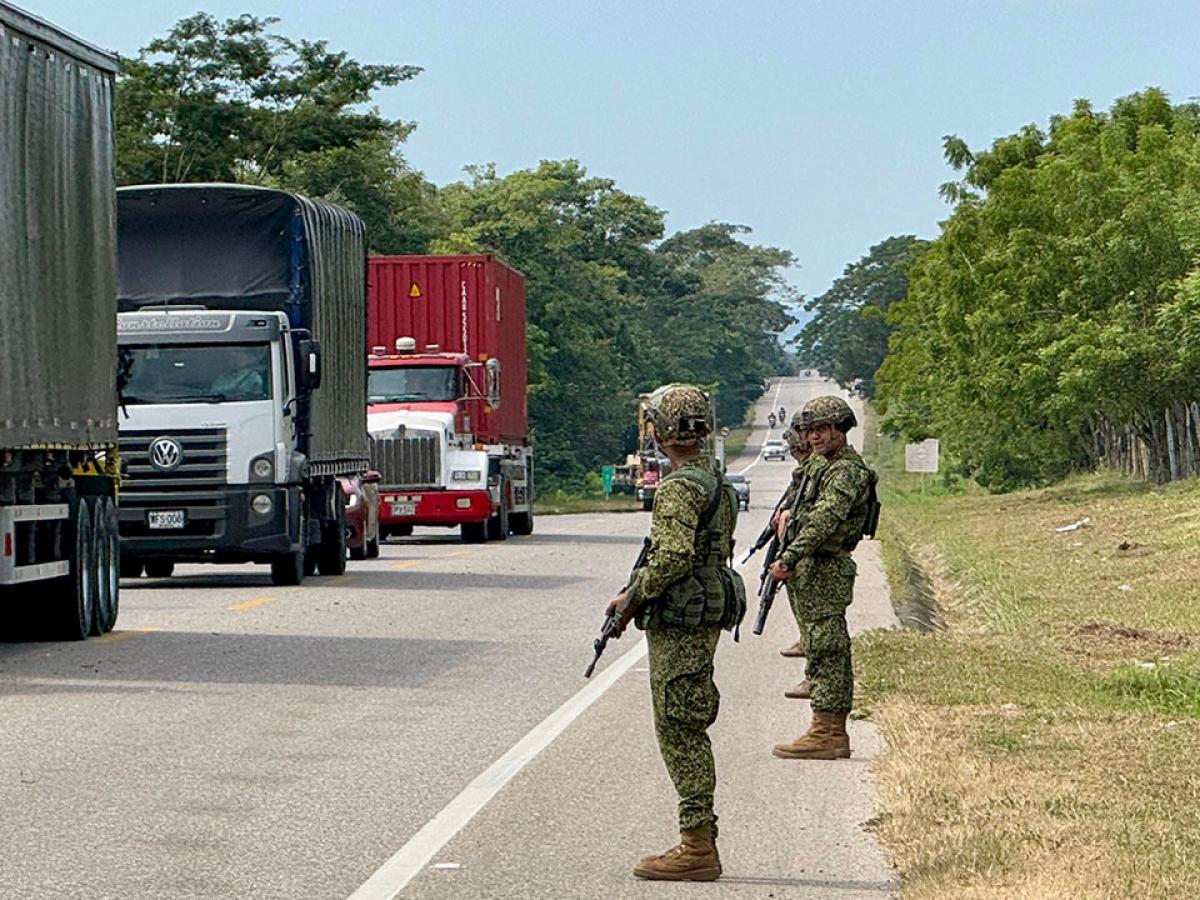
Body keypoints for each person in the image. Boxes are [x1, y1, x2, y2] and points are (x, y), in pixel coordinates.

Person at [604, 382, 742, 881]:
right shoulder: (717, 481)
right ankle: (697, 838)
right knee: (688, 715)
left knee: (679, 725)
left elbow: (672, 556)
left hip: (683, 615)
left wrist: (632, 595)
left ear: (660, 432)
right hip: (702, 608)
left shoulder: (681, 487)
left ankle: (697, 844)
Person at [768, 396, 873, 760]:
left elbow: (825, 519)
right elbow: (801, 502)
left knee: (828, 649)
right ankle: (823, 728)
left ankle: (828, 732)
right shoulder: (821, 464)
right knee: (817, 644)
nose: (813, 437)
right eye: (809, 430)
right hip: (812, 567)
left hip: (826, 566)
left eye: (822, 429)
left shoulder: (845, 471)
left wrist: (790, 556)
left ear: (840, 429)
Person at [774, 425, 826, 665]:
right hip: (799, 545)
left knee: (818, 616)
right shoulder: (805, 471)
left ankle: (810, 646)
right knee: (797, 594)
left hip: (810, 549)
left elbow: (817, 515)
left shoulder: (818, 470)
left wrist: (789, 556)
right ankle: (805, 638)